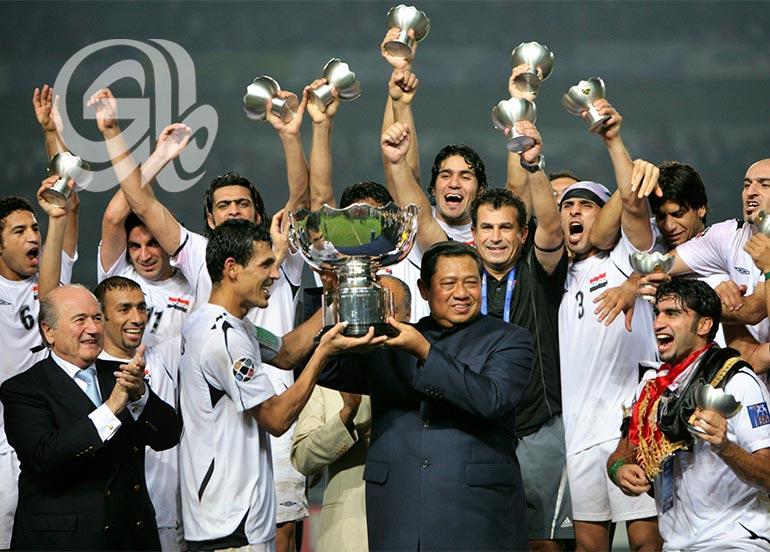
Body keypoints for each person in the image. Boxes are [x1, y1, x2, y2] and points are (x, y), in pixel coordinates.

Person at [91, 86, 312, 551]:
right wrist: (112, 133)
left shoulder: (277, 250)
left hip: (275, 410)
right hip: (227, 423)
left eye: (242, 204)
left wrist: (292, 136)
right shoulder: (198, 256)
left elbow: (303, 200)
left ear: (258, 214)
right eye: (223, 206)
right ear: (210, 222)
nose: (233, 211)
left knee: (282, 533)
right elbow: (141, 203)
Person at [319, 241, 534, 551]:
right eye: (449, 283)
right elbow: (323, 368)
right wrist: (335, 299)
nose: (462, 293)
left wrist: (424, 351)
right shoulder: (392, 341)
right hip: (398, 516)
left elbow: (491, 399)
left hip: (477, 517)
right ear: (424, 289)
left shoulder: (510, 339)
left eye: (471, 282)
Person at [178, 219, 377, 551]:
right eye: (265, 265)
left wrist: (335, 297)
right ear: (231, 268)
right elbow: (277, 418)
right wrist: (324, 352)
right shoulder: (224, 338)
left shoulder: (229, 325)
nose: (274, 274)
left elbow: (286, 352)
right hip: (231, 525)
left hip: (235, 519)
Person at [0, 285, 178, 550]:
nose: (93, 329)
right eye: (80, 319)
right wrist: (110, 409)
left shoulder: (121, 375)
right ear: (49, 331)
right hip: (65, 541)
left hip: (132, 537)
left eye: (97, 318)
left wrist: (141, 396)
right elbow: (43, 455)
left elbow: (168, 436)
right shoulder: (24, 388)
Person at [608, 278, 770, 550]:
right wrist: (619, 470)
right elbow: (622, 454)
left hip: (735, 541)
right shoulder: (650, 389)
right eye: (657, 313)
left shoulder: (736, 382)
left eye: (672, 313)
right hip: (676, 544)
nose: (658, 323)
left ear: (704, 325)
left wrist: (725, 447)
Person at [470, 184, 571, 549]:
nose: (496, 237)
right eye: (487, 227)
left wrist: (533, 166)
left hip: (536, 428)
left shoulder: (538, 269)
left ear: (523, 234)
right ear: (473, 233)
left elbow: (553, 227)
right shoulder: (463, 281)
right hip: (477, 431)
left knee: (543, 544)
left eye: (506, 227)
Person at [290, 275, 411, 552]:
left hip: (411, 526)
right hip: (348, 533)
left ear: (408, 314)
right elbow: (302, 458)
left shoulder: (425, 368)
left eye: (388, 306)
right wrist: (347, 414)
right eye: (370, 304)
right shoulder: (331, 374)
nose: (378, 315)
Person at [94, 276, 185, 551]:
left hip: (166, 516)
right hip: (110, 521)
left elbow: (219, 319)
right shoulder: (87, 371)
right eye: (124, 309)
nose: (137, 318)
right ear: (101, 316)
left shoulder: (163, 356)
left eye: (141, 308)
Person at [98, 122, 195, 347]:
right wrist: (159, 158)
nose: (144, 256)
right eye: (135, 246)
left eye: (153, 244)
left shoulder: (193, 286)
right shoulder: (118, 276)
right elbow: (113, 216)